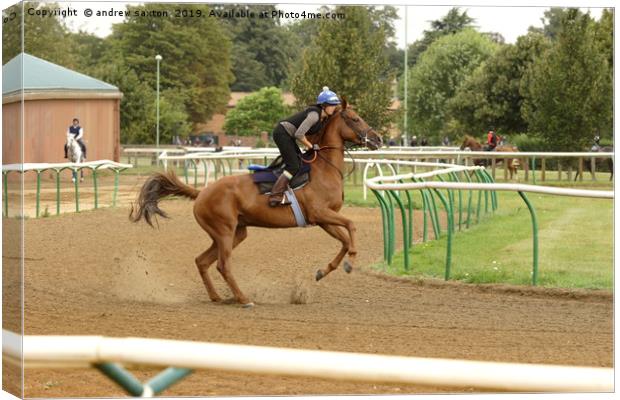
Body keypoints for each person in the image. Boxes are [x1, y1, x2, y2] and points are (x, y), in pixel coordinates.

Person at [269, 86, 340, 207]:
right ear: (323, 105)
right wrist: (310, 146)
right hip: (282, 133)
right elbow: (299, 134)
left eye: (334, 105)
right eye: (331, 105)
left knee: (298, 161)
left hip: (288, 135)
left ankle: (287, 188)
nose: (334, 107)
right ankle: (276, 195)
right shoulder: (314, 116)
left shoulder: (323, 117)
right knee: (294, 165)